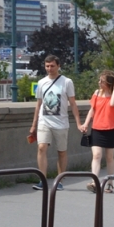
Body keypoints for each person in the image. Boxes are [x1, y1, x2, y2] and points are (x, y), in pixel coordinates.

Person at [28, 55, 78, 190]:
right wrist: (34, 125)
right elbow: (38, 104)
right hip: (44, 120)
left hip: (61, 122)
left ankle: (60, 179)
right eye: (47, 66)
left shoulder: (67, 82)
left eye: (52, 66)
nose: (49, 69)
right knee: (41, 147)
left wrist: (79, 123)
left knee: (61, 151)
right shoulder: (41, 82)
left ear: (58, 66)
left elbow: (72, 103)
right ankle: (42, 180)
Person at [79, 70, 114, 192]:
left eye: (102, 81)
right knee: (97, 155)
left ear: (108, 83)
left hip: (111, 130)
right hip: (97, 129)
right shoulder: (97, 93)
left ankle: (110, 182)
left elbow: (113, 103)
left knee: (109, 157)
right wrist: (86, 124)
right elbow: (92, 110)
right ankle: (94, 182)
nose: (99, 83)